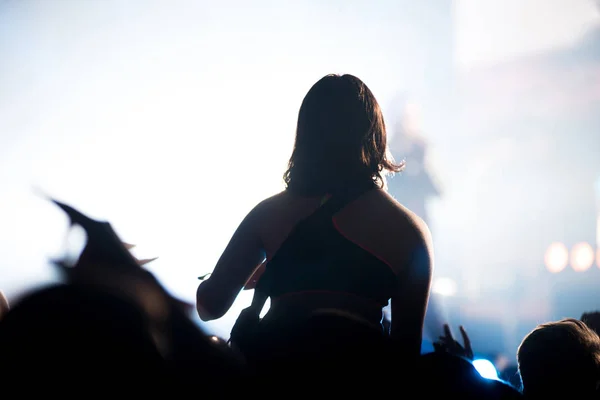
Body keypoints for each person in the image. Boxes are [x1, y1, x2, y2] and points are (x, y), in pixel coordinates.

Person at [196, 74, 434, 361]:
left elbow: (209, 307)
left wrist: (233, 274)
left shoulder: (268, 214)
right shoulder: (410, 232)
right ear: (375, 136)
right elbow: (405, 357)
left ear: (306, 136)